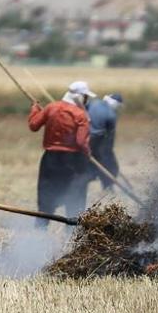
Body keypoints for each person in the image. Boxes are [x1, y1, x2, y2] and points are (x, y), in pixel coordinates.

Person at [28, 81, 94, 228]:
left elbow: (33, 125)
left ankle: (40, 231)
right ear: (80, 96)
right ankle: (71, 236)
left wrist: (35, 110)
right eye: (85, 97)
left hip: (50, 160)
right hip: (73, 162)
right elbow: (81, 142)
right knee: (75, 199)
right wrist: (88, 153)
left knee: (46, 198)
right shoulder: (80, 115)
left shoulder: (51, 108)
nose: (86, 100)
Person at [87, 93, 123, 190]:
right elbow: (110, 137)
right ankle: (108, 186)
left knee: (92, 162)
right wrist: (108, 152)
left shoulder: (92, 103)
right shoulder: (111, 115)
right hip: (97, 140)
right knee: (111, 166)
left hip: (83, 137)